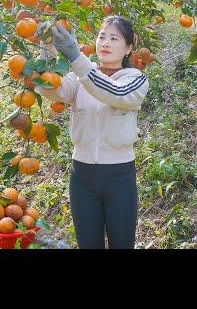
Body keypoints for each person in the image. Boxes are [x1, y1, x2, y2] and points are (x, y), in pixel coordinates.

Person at [34, 15, 149, 249]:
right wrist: (46, 50)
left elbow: (113, 93)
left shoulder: (135, 80)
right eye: (101, 37)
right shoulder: (79, 76)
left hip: (119, 177)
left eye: (114, 38)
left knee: (122, 245)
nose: (105, 43)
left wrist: (76, 57)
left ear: (128, 48)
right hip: (82, 177)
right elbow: (51, 89)